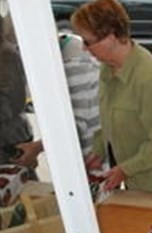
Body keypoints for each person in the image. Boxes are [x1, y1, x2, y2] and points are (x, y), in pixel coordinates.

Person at [71, 0, 152, 195]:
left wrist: (124, 170)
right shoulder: (107, 68)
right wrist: (98, 151)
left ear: (110, 37)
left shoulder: (150, 79)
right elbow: (109, 121)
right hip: (133, 180)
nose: (84, 49)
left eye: (87, 42)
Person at [13, 34, 101, 168]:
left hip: (91, 164)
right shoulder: (67, 53)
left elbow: (75, 127)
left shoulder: (73, 71)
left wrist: (36, 148)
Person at [0, 15, 36, 178]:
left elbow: (9, 103)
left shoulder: (6, 57)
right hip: (10, 135)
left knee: (20, 188)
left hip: (9, 139)